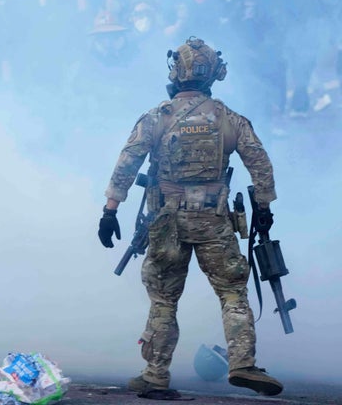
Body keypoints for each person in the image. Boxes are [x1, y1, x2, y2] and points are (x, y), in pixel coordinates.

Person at [97, 37, 283, 397]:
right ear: (213, 74)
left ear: (175, 74)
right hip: (214, 219)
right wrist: (263, 208)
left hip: (166, 220)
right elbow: (260, 164)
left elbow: (127, 163)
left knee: (163, 298)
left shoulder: (157, 117)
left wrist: (110, 211)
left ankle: (155, 374)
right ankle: (242, 364)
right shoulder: (228, 118)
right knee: (232, 292)